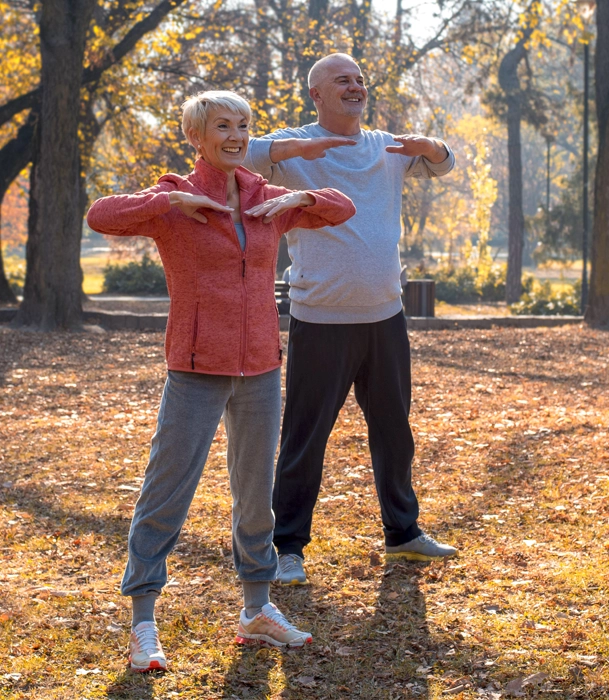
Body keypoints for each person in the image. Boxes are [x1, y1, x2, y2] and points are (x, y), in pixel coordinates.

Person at [86, 90, 355, 671]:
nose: (235, 135)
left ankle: (257, 610)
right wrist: (169, 202)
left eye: (243, 125)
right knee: (167, 492)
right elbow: (101, 215)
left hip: (261, 366)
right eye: (222, 126)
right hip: (195, 367)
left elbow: (341, 208)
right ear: (197, 137)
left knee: (256, 496)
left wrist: (304, 194)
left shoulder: (266, 198)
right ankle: (142, 622)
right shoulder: (174, 199)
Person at [244, 52, 458, 587]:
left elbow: (445, 163)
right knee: (304, 438)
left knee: (394, 431)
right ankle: (287, 547)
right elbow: (235, 153)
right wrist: (298, 148)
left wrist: (431, 147)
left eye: (360, 79)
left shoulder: (385, 146)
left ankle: (403, 533)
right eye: (343, 80)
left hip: (385, 316)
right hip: (320, 320)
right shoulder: (291, 146)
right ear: (316, 94)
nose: (355, 86)